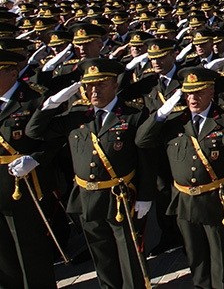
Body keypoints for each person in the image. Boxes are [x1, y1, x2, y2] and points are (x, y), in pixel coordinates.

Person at [26, 58, 155, 289]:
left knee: (129, 253)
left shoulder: (132, 115)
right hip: (86, 196)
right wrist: (53, 103)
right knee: (100, 253)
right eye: (89, 85)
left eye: (101, 84)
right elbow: (34, 131)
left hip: (121, 197)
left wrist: (145, 195)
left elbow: (146, 159)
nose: (93, 90)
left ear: (115, 85)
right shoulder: (76, 116)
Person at [136, 67, 224, 289]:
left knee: (220, 253)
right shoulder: (174, 122)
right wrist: (163, 112)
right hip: (184, 199)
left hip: (215, 198)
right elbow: (142, 140)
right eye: (189, 93)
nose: (193, 98)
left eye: (199, 92)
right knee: (195, 253)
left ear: (211, 91)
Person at [0, 49, 58, 288]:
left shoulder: (34, 99)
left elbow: (55, 139)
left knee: (29, 247)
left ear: (13, 73)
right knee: (2, 251)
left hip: (23, 184)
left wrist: (35, 158)